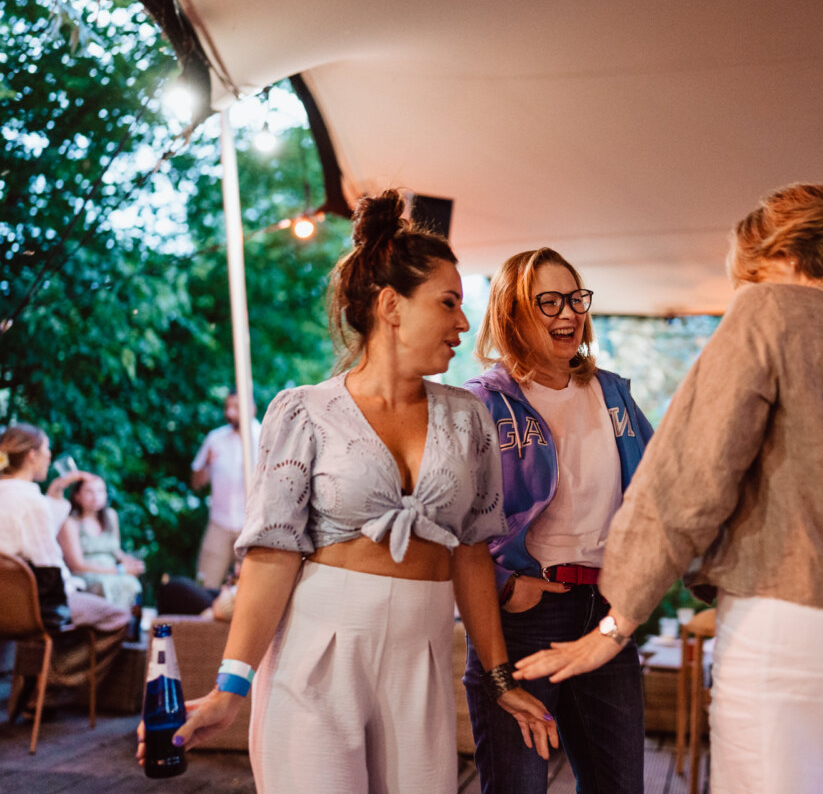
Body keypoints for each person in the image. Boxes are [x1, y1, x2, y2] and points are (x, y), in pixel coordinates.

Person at [515, 183, 823, 794]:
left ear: (782, 255)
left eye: (752, 272)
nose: (745, 287)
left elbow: (687, 477)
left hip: (794, 622)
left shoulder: (770, 311)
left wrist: (617, 622)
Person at [139, 190, 557, 793]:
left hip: (424, 654)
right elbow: (273, 555)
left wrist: (498, 679)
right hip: (319, 649)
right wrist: (232, 684)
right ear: (391, 305)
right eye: (449, 303)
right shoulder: (304, 411)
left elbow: (471, 554)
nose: (463, 323)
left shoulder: (470, 418)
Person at [462, 247, 653, 794]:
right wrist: (503, 588)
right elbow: (453, 525)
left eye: (575, 298)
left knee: (620, 786)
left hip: (604, 616)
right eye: (548, 302)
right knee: (518, 786)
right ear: (511, 312)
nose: (568, 314)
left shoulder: (611, 392)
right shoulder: (481, 404)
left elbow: (660, 490)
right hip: (524, 620)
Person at [0, 424, 129, 695]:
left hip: (6, 606)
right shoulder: (31, 501)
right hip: (35, 609)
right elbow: (49, 565)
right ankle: (51, 682)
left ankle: (37, 687)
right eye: (47, 449)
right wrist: (76, 586)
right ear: (32, 455)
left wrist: (56, 491)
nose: (50, 455)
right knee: (118, 618)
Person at [190, 391, 261, 587]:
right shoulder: (215, 438)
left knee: (249, 588)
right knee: (204, 584)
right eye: (227, 407)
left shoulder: (265, 438)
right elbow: (196, 483)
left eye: (236, 407)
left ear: (251, 408)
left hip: (251, 525)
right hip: (219, 523)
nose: (230, 413)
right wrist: (205, 466)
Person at [58, 475, 144, 609]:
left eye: (100, 491)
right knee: (106, 584)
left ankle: (128, 627)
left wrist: (130, 563)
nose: (95, 496)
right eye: (89, 491)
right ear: (77, 495)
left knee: (133, 583)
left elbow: (115, 551)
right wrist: (119, 570)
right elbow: (77, 565)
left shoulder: (111, 516)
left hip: (114, 572)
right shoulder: (70, 523)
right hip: (88, 577)